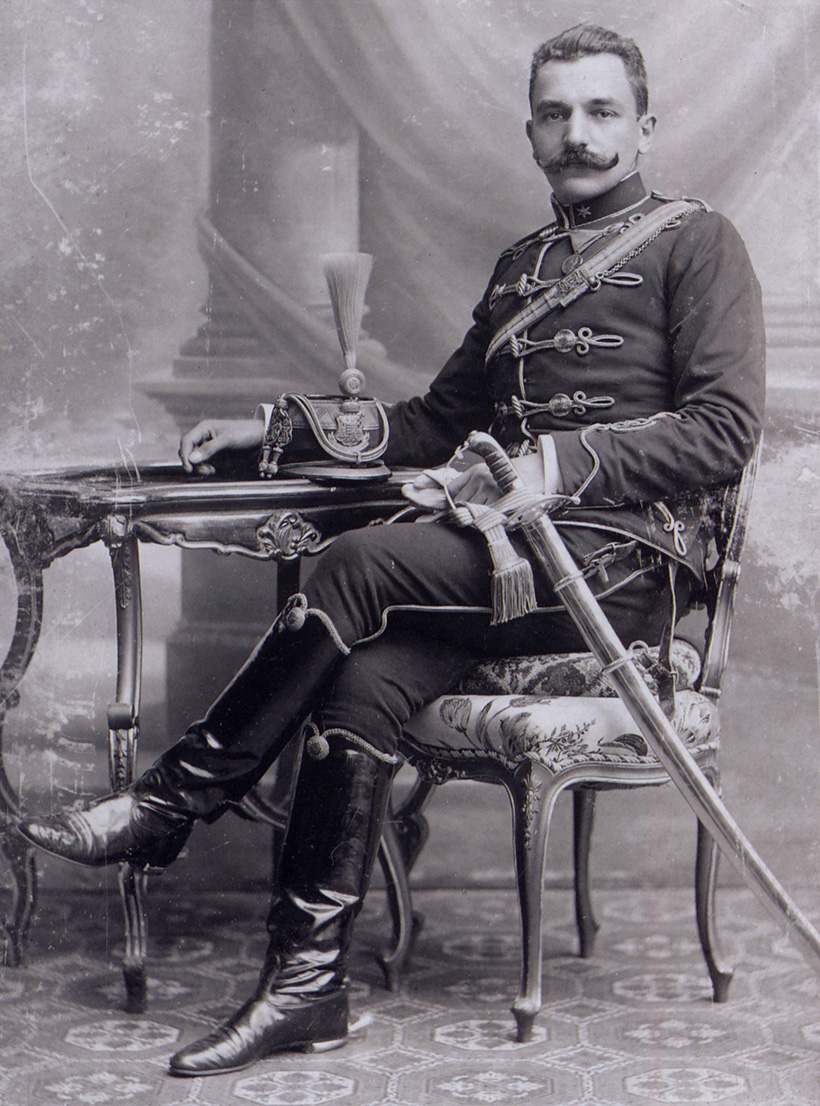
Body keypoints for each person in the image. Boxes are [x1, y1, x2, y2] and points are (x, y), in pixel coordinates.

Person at [19, 24, 764, 1077]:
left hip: (616, 570)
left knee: (358, 564)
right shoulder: (522, 270)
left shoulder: (698, 244)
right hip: (505, 573)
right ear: (529, 132)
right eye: (554, 113)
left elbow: (725, 429)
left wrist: (554, 464)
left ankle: (172, 800)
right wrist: (277, 427)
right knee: (359, 686)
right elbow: (432, 420)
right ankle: (304, 987)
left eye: (601, 112)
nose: (577, 134)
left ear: (644, 126)